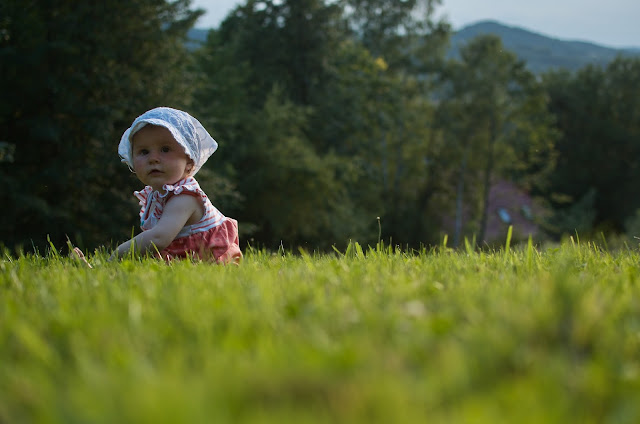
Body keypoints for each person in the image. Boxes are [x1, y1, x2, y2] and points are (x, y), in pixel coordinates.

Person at [110, 107, 242, 264]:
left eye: (165, 149)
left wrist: (117, 254)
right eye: (144, 152)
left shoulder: (185, 196)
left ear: (189, 161)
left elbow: (159, 238)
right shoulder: (157, 196)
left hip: (208, 262)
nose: (153, 158)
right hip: (183, 260)